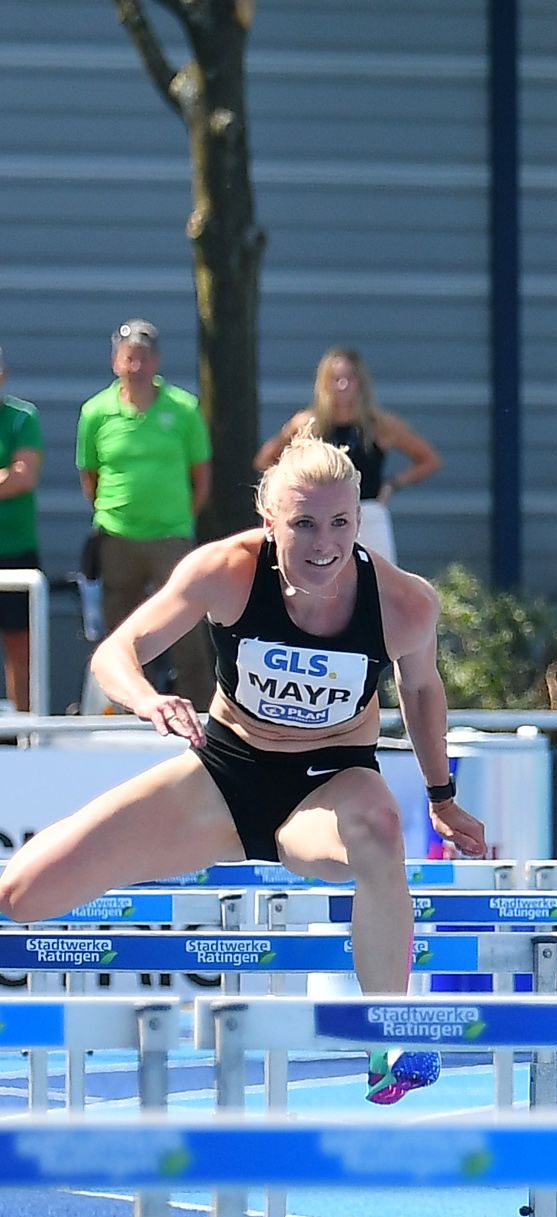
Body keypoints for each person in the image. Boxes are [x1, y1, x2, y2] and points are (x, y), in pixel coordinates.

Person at [0, 435, 488, 1104]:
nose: (324, 544)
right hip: (224, 775)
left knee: (379, 828)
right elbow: (118, 650)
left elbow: (423, 689)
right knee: (21, 894)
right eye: (304, 524)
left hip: (329, 786)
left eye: (341, 523)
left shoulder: (403, 603)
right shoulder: (226, 570)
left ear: (359, 520)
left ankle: (389, 1035)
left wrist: (442, 795)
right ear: (269, 521)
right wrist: (147, 698)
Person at [77, 320, 214, 709]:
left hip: (171, 537)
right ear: (115, 361)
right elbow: (90, 476)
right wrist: (114, 512)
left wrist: (180, 518)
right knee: (121, 630)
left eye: (144, 356)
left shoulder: (184, 409)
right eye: (129, 356)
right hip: (117, 536)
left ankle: (202, 715)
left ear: (158, 360)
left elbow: (201, 477)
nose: (136, 364)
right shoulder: (95, 412)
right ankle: (124, 712)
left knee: (186, 627)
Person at [255, 347, 443, 566]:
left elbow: (429, 459)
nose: (342, 385)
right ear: (324, 384)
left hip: (368, 512)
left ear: (361, 383)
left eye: (349, 378)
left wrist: (392, 484)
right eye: (335, 379)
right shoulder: (308, 424)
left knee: (378, 584)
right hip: (320, 516)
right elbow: (265, 459)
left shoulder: (378, 425)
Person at [0, 347, 44, 712]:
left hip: (15, 547)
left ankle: (23, 730)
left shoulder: (21, 417)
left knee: (19, 642)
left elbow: (23, 477)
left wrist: (11, 477)